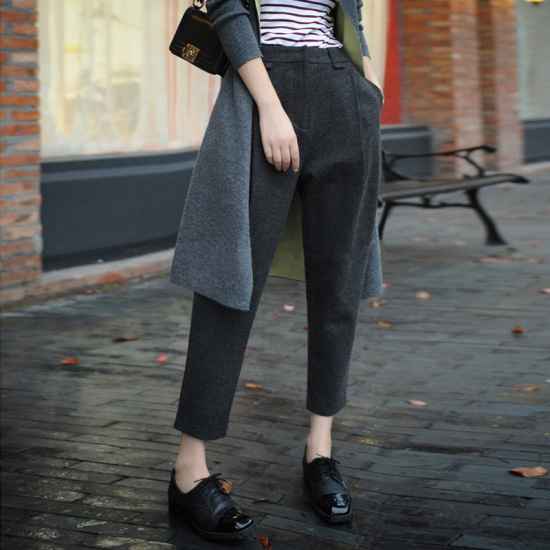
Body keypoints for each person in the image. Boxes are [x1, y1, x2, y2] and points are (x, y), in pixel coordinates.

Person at [167, 0, 385, 541]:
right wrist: (270, 105)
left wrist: (369, 88)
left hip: (344, 94)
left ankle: (320, 452)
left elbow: (349, 15)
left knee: (338, 284)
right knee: (228, 285)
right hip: (262, 87)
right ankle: (189, 470)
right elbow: (228, 8)